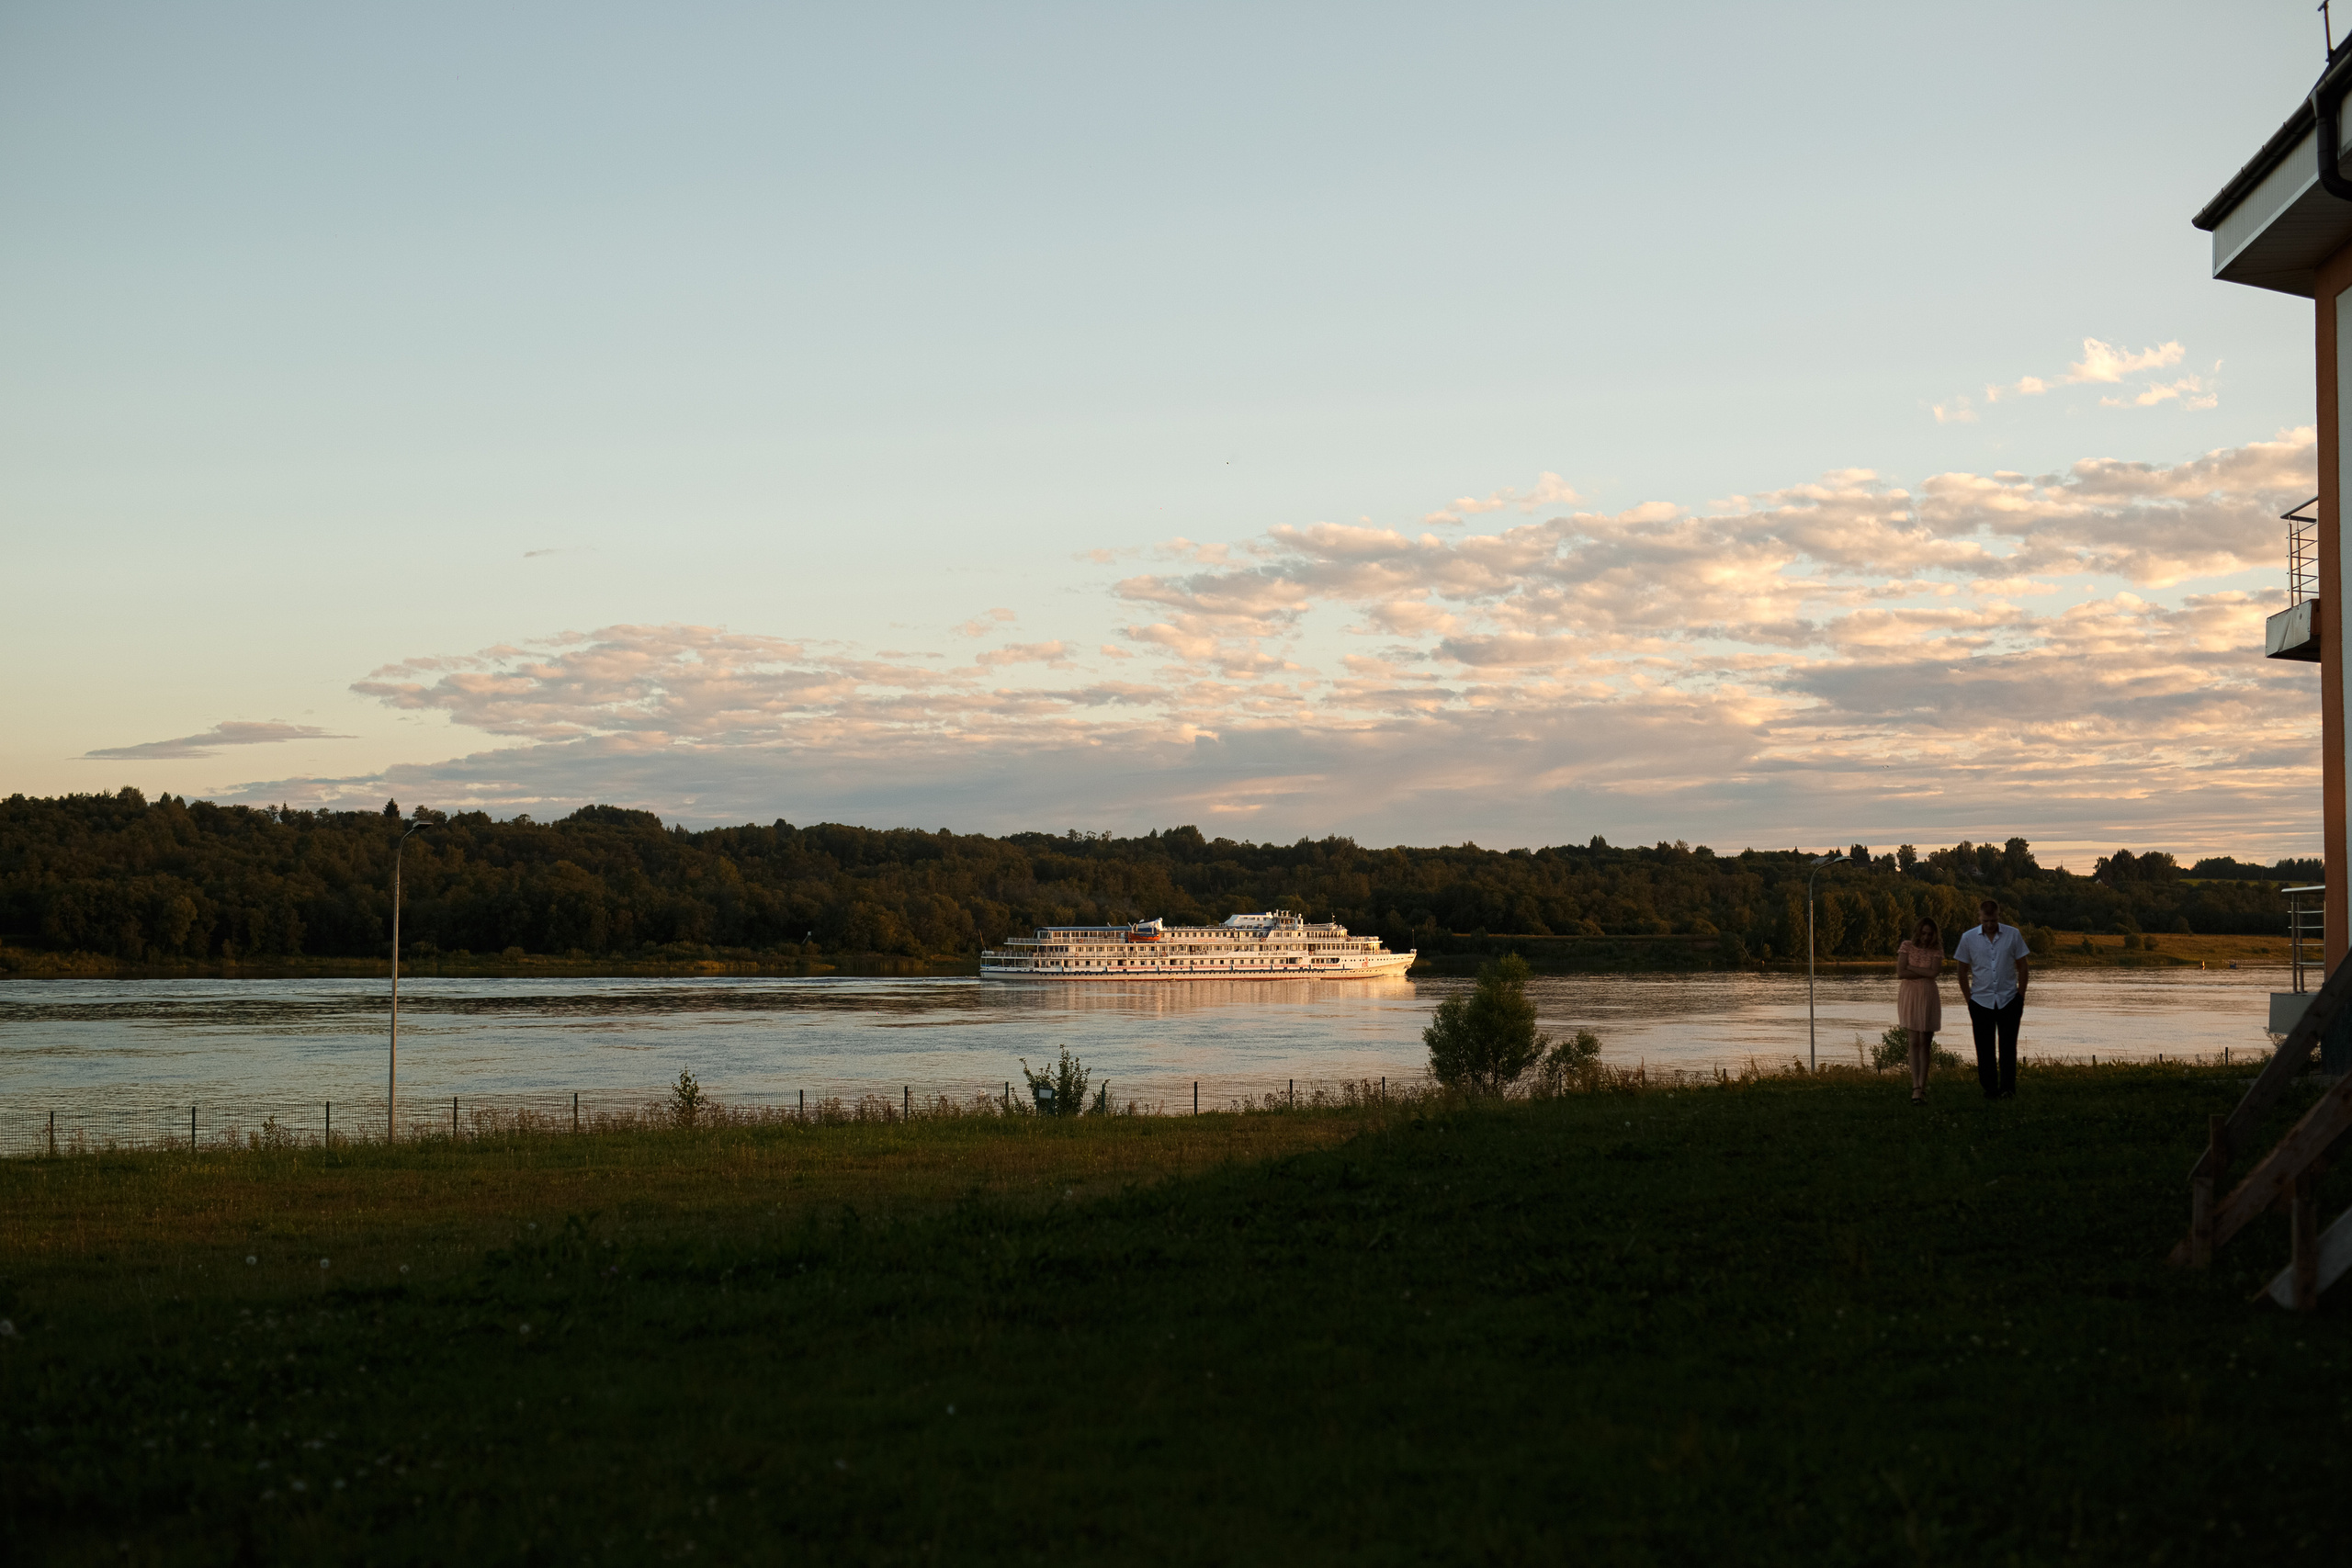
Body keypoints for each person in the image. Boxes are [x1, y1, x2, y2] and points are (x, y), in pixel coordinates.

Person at [1951, 898, 2031, 1100]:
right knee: (1984, 1048)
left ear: (1998, 916)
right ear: (1980, 918)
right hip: (1980, 1002)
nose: (1989, 925)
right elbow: (1961, 971)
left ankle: (2007, 1089)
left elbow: (2023, 966)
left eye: (1993, 920)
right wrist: (1969, 999)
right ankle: (1990, 1089)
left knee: (2008, 1046)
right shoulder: (1968, 938)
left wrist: (2020, 996)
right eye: (1986, 921)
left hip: (2009, 999)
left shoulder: (2013, 935)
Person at [1894, 917, 1943, 1104]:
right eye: (1923, 933)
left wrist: (1911, 967)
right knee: (1914, 1040)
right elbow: (1901, 973)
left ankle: (1923, 1086)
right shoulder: (1907, 946)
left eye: (1930, 934)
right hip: (1910, 995)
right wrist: (1924, 972)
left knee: (1926, 1042)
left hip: (1928, 995)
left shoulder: (1936, 950)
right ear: (1918, 932)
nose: (1926, 937)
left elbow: (1934, 973)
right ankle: (1915, 1086)